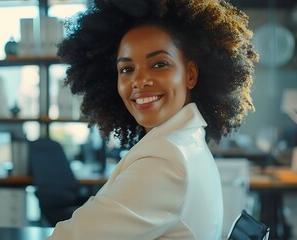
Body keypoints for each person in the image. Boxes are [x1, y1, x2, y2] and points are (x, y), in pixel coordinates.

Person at [47, 0, 258, 239]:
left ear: (190, 75)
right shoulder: (187, 141)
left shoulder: (165, 159)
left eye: (159, 64)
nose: (139, 81)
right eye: (127, 69)